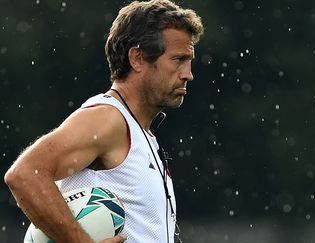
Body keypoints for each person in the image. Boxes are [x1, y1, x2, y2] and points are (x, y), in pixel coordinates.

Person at [4, 0, 203, 242]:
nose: (188, 74)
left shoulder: (140, 131)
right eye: (178, 60)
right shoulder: (107, 119)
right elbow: (25, 174)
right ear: (137, 58)